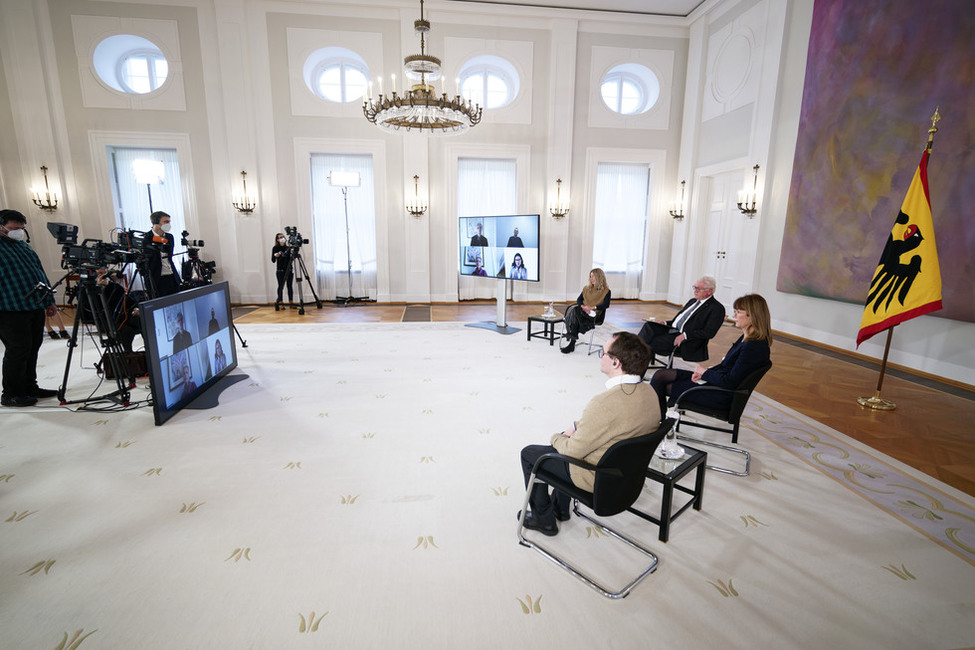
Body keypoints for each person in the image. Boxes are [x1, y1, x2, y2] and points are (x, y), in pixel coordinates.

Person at [519, 331, 661, 536]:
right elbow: (614, 424)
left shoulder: (605, 403)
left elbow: (572, 451)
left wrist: (556, 436)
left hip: (596, 477)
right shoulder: (649, 392)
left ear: (615, 363)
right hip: (626, 476)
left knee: (531, 454)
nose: (600, 356)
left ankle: (544, 520)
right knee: (567, 439)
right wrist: (576, 427)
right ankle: (560, 508)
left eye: (602, 353)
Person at [649, 293, 773, 417]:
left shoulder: (753, 347)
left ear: (752, 317)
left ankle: (655, 419)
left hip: (719, 395)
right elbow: (728, 368)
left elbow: (730, 382)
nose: (733, 316)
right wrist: (706, 372)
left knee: (664, 384)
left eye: (738, 312)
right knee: (661, 375)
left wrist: (705, 373)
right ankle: (657, 418)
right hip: (714, 383)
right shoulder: (746, 339)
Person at [0, 209, 60, 407]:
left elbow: (39, 272)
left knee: (33, 346)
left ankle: (29, 386)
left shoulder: (23, 246)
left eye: (21, 228)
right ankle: (11, 393)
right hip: (9, 309)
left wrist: (49, 301)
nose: (18, 231)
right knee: (18, 350)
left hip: (34, 306)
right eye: (13, 228)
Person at [638, 275, 725, 363]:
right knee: (649, 326)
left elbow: (709, 333)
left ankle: (635, 366)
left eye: (699, 289)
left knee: (649, 343)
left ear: (709, 291)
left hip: (687, 340)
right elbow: (679, 321)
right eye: (695, 287)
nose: (695, 291)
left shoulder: (716, 308)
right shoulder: (693, 301)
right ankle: (634, 356)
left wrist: (685, 335)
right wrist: (664, 323)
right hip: (673, 330)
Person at [560, 268, 611, 354]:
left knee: (574, 312)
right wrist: (583, 307)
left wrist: (591, 308)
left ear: (599, 277)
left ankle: (572, 340)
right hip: (582, 312)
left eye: (593, 276)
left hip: (594, 315)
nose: (591, 279)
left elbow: (606, 305)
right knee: (576, 309)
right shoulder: (586, 289)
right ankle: (573, 340)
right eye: (590, 276)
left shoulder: (606, 291)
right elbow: (579, 300)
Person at [141, 211, 181, 297]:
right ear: (156, 222)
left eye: (169, 222)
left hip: (172, 276)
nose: (168, 224)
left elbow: (169, 256)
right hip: (156, 279)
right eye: (165, 222)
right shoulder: (146, 238)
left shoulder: (169, 237)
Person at [271, 232, 294, 309]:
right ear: (277, 239)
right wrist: (276, 256)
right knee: (280, 286)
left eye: (283, 237)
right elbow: (273, 260)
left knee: (289, 286)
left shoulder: (288, 248)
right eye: (280, 237)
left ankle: (291, 302)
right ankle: (280, 302)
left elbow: (291, 259)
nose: (282, 238)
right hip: (280, 270)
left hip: (289, 269)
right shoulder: (275, 248)